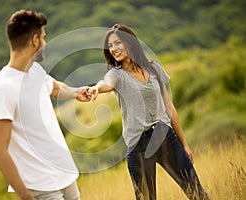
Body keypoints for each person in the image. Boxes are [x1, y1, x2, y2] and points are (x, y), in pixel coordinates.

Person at [89, 24, 209, 200]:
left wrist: (184, 144)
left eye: (117, 43)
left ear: (130, 42)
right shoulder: (117, 75)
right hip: (139, 146)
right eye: (110, 46)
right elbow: (106, 83)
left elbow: (169, 107)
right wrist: (96, 89)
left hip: (165, 136)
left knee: (197, 192)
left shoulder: (154, 68)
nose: (113, 49)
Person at [0, 10, 92, 200]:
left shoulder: (34, 70)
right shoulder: (2, 87)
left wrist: (77, 92)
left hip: (65, 176)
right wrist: (25, 196)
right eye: (43, 38)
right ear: (35, 40)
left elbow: (55, 88)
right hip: (40, 187)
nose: (45, 43)